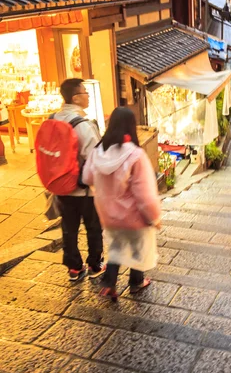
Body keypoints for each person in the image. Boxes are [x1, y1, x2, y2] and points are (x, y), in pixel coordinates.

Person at [82, 107, 161, 300]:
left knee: (116, 247)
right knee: (137, 248)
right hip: (132, 216)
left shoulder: (98, 151)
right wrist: (154, 217)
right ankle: (136, 282)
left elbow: (87, 177)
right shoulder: (135, 155)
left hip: (108, 215)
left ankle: (109, 284)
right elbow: (144, 194)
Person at [54, 78, 104, 281]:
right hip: (83, 188)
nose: (88, 95)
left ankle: (74, 268)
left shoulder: (52, 118)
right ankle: (94, 265)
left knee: (69, 227)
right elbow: (95, 157)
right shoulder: (82, 125)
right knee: (93, 226)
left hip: (60, 185)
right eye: (85, 92)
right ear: (76, 97)